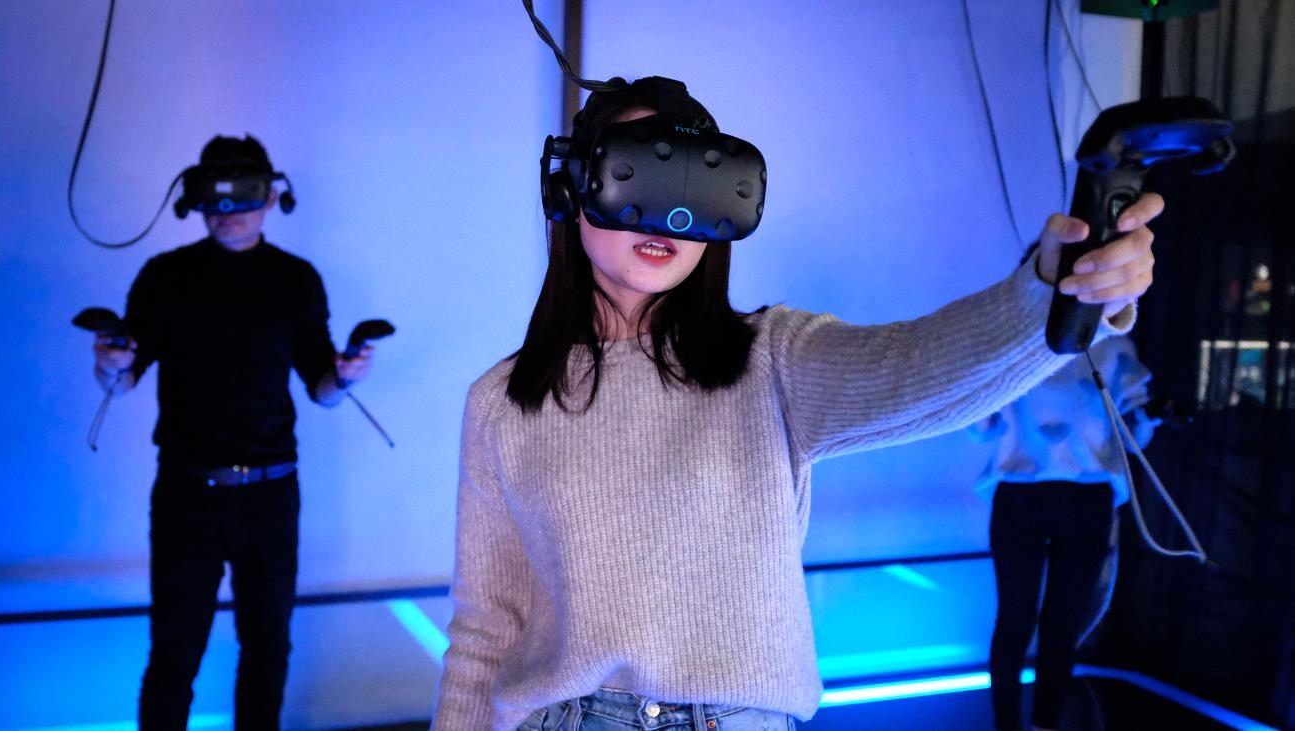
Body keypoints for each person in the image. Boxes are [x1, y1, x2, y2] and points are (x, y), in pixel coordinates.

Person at [431, 78, 1162, 731]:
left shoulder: (771, 359)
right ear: (569, 189)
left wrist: (1054, 295)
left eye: (695, 181)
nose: (663, 214)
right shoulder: (501, 402)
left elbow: (921, 366)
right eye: (636, 172)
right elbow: (487, 627)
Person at [91, 135, 374, 731]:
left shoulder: (296, 280)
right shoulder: (166, 276)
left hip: (271, 492)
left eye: (243, 194)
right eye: (215, 197)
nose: (228, 210)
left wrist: (346, 377)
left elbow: (320, 387)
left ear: (270, 196)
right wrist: (109, 365)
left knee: (267, 646)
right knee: (174, 649)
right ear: (196, 199)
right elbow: (126, 376)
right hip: (186, 491)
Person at [968, 330, 1160, 731]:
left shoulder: (1112, 347)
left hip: (1080, 498)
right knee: (1019, 619)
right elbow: (981, 424)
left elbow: (1132, 433)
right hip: (1025, 494)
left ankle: (1044, 723)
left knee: (1059, 622)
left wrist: (1150, 415)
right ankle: (1009, 724)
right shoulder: (1011, 341)